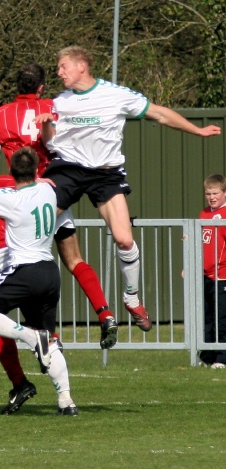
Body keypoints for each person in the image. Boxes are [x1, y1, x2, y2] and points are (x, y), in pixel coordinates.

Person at [36, 46, 222, 333]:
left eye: (63, 66)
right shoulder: (59, 102)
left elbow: (159, 114)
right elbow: (48, 141)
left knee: (124, 240)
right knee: (38, 222)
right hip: (69, 170)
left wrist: (196, 131)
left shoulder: (116, 94)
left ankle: (132, 298)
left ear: (82, 65)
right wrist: (47, 125)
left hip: (106, 174)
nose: (58, 72)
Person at [0, 62, 116, 351]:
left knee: (9, 283)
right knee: (74, 261)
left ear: (17, 85)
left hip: (20, 201)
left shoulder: (3, 115)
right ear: (42, 87)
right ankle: (104, 314)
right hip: (52, 195)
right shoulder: (55, 107)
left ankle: (23, 370)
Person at [0, 147, 78, 416]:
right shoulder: (48, 190)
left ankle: (28, 337)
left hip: (24, 271)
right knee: (49, 341)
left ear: (12, 172)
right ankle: (66, 401)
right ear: (37, 169)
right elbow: (36, 191)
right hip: (50, 272)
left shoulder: (12, 198)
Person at [199, 174, 226, 369]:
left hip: (222, 276)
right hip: (206, 275)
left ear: (224, 193)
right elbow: (202, 243)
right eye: (208, 193)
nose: (211, 197)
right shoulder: (204, 214)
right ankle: (207, 356)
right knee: (207, 317)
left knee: (222, 318)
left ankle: (222, 357)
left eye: (215, 193)